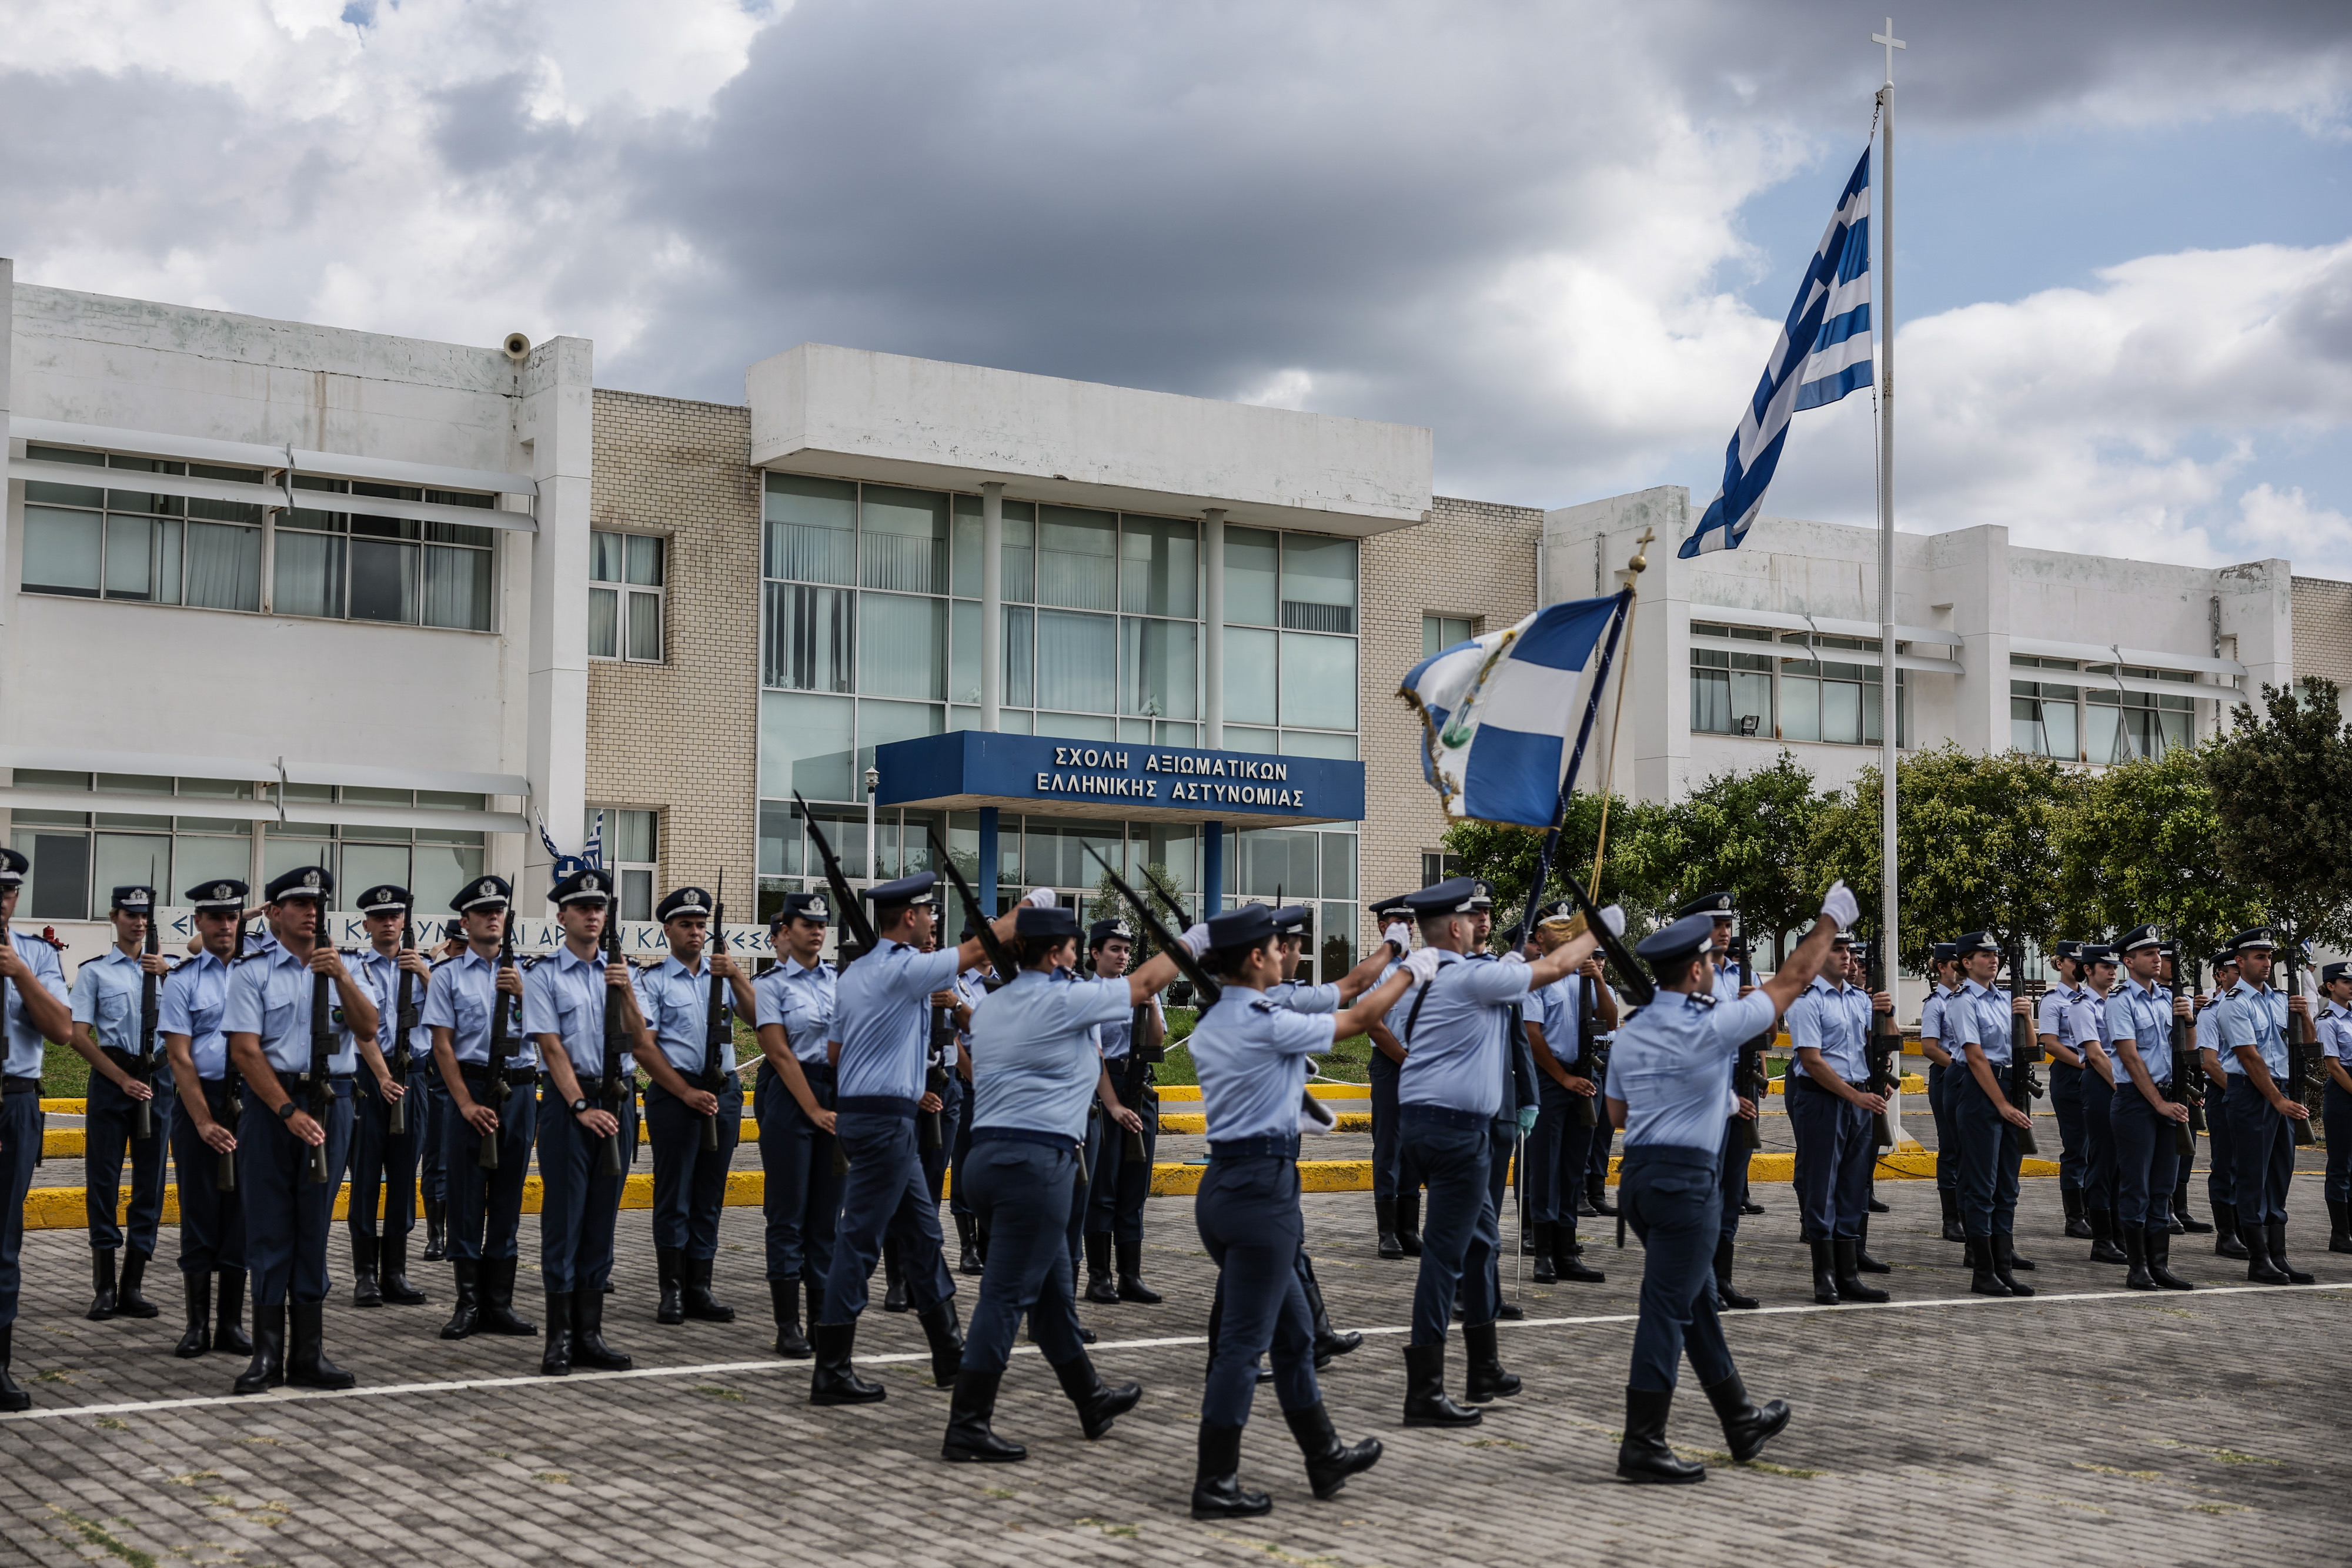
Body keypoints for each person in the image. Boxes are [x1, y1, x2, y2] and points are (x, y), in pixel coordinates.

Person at [1606, 886, 1850, 1483]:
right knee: (1665, 1310)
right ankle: (1642, 1443)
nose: (1716, 969)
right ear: (1694, 970)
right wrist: (1829, 920)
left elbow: (1616, 1115)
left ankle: (1739, 1418)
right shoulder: (1713, 1024)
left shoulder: (1632, 1030)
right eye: (1711, 963)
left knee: (1693, 1305)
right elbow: (1792, 980)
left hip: (1638, 1178)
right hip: (1686, 1184)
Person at [1187, 902, 1412, 1518]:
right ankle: (1214, 1481)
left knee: (1293, 1337)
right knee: (1241, 1347)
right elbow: (1361, 1015)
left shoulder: (1218, 1021)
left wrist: (1389, 956)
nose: (1286, 954)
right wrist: (1417, 970)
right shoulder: (1263, 1020)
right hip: (1264, 1193)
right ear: (1256, 957)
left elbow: (1344, 990)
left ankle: (1323, 1455)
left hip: (1228, 1187)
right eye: (1276, 948)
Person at [941, 903, 1184, 1462]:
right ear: (1055, 953)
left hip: (988, 1159)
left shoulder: (994, 1005)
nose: (1077, 954)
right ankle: (968, 1424)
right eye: (1074, 946)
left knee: (1051, 1294)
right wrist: (1195, 938)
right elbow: (1146, 982)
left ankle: (1089, 1397)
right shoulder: (1064, 996)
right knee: (1004, 1296)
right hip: (1035, 1164)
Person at [1391, 877, 1604, 1426]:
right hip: (1455, 1130)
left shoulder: (1418, 973)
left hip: (1441, 1125)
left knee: (1483, 1241)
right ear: (1457, 927)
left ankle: (1483, 1365)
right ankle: (1425, 1391)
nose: (1480, 923)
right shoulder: (1467, 974)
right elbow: (1554, 969)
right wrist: (1602, 929)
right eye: (1474, 916)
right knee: (1444, 1258)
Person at [810, 873, 1024, 1405]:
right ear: (908, 918)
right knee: (859, 1241)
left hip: (872, 1115)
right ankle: (831, 1368)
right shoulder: (905, 967)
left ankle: (950, 1355)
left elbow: (835, 1053)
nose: (933, 922)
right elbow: (980, 948)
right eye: (929, 913)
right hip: (886, 1121)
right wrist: (1031, 909)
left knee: (924, 1236)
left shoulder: (856, 973)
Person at [222, 865, 383, 1393]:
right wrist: (288, 1110)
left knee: (314, 1226)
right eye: (298, 902)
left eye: (318, 902)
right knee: (270, 1228)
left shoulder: (342, 967)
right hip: (275, 1108)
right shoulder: (253, 970)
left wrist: (340, 976)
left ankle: (308, 1354)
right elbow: (245, 1049)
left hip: (331, 1102)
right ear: (273, 912)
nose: (311, 910)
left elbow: (367, 1028)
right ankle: (267, 1354)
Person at [523, 867, 644, 1375]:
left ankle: (591, 1334)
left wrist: (628, 990)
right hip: (569, 1107)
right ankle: (559, 1338)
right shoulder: (544, 974)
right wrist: (578, 1107)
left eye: (600, 908)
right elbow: (552, 1049)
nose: (594, 914)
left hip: (617, 1102)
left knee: (601, 1223)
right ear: (563, 916)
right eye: (583, 908)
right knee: (565, 1221)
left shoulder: (622, 969)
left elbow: (641, 1039)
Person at [633, 885, 758, 1325]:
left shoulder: (721, 978)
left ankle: (700, 1286)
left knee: (710, 1194)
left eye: (701, 925)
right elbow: (645, 1048)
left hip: (722, 1091)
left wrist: (737, 974)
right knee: (675, 1193)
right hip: (675, 1092)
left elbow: (761, 1020)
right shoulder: (651, 981)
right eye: (686, 924)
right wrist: (684, 1092)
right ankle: (671, 1290)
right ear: (667, 929)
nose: (695, 931)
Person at [424, 875, 539, 1340]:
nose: (495, 916)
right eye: (484, 911)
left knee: (509, 1198)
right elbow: (443, 1047)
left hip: (519, 1092)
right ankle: (468, 1302)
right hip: (470, 1089)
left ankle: (500, 1303)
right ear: (465, 921)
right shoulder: (448, 975)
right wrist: (466, 1103)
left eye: (500, 910)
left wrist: (526, 994)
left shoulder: (532, 973)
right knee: (468, 1198)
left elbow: (555, 1033)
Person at [68, 884, 175, 1322]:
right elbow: (78, 1036)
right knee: (103, 1183)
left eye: (144, 915)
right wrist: (123, 1080)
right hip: (114, 1081)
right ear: (114, 917)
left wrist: (169, 974)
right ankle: (105, 1287)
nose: (138, 921)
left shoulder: (170, 971)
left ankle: (134, 1284)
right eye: (130, 914)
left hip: (159, 1080)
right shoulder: (95, 972)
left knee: (149, 1186)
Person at [159, 878, 256, 1359]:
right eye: (215, 917)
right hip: (201, 1100)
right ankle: (197, 1324)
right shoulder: (183, 979)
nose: (225, 925)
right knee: (200, 1209)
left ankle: (232, 1324)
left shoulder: (258, 972)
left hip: (250, 1102)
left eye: (232, 916)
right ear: (198, 922)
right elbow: (179, 1056)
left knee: (240, 1212)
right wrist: (201, 1120)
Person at [1, 848, 74, 1410]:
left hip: (13, 1102)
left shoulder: (35, 955)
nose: (1, 900)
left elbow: (61, 1031)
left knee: (4, 1240)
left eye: (7, 890)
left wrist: (22, 974)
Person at [753, 891, 841, 1358]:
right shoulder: (771, 984)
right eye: (806, 923)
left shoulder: (838, 981)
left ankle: (822, 1320)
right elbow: (779, 1052)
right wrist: (812, 1108)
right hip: (793, 1099)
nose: (816, 930)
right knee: (787, 1216)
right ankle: (788, 1326)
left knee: (825, 1221)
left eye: (822, 922)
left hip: (834, 1094)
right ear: (786, 931)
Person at [1785, 931, 1895, 1305]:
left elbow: (1884, 1042)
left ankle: (1849, 1275)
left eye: (1848, 950)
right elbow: (1812, 1061)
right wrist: (1856, 1096)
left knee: (1852, 1185)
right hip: (1824, 1101)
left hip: (1858, 1099)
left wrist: (1887, 1013)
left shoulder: (1859, 998)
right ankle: (1825, 1277)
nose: (1847, 957)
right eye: (1837, 950)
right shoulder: (1806, 1000)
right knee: (1822, 1187)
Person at [2211, 928, 2315, 1283]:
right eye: (2259, 956)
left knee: (2279, 1175)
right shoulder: (2234, 1002)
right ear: (2239, 962)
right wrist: (2278, 1100)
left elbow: (2307, 1048)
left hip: (2279, 1092)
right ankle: (2258, 1259)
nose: (2267, 962)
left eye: (2269, 956)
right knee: (2253, 1176)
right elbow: (2249, 1056)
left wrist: (2305, 1016)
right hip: (2252, 1094)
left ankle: (2278, 1255)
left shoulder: (2279, 1000)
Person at [347, 885, 432, 1309]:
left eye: (394, 915)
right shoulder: (358, 968)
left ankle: (395, 1272)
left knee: (403, 1175)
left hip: (413, 1078)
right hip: (370, 1078)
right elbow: (362, 1031)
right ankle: (365, 1275)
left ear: (404, 922)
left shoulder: (424, 966)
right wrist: (381, 1076)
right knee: (365, 1176)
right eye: (379, 916)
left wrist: (425, 975)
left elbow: (448, 1017)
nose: (387, 922)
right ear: (367, 924)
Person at [1521, 902, 1612, 1289]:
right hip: (1549, 1079)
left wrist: (1599, 980)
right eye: (1555, 927)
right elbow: (1533, 1033)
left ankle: (1566, 1250)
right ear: (1540, 937)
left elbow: (1609, 1019)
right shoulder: (1535, 977)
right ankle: (1543, 1255)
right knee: (1546, 1168)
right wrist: (1561, 1077)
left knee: (1573, 1168)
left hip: (1583, 1077)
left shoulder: (1581, 977)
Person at [2100, 925, 2195, 1290]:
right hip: (2137, 1102)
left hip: (2170, 1097)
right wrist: (2158, 1103)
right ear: (2128, 961)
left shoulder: (2169, 998)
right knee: (2136, 1186)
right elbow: (2129, 1056)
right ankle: (2137, 1267)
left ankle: (2161, 1266)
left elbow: (2189, 1051)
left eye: (2160, 953)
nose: (2158, 959)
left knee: (2163, 1187)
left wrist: (2188, 1020)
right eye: (2148, 954)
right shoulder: (2120, 1000)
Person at [1081, 917, 1168, 1306]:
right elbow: (1092, 1053)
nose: (1123, 955)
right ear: (1095, 952)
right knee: (1103, 1187)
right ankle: (1098, 1277)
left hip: (1140, 1085)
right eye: (1115, 948)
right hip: (1104, 1088)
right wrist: (1111, 1104)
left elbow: (1157, 1042)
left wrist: (1148, 1006)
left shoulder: (1140, 988)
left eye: (1127, 950)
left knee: (1135, 1184)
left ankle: (1130, 1275)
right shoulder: (1087, 993)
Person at [1951, 931, 2040, 1297]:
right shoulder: (1963, 1001)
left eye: (1995, 954)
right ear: (1966, 962)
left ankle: (2004, 1268)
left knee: (2008, 1185)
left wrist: (2028, 1018)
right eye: (1984, 955)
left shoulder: (2007, 999)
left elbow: (2032, 1050)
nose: (1993, 959)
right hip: (1981, 1092)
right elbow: (1974, 1056)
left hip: (2012, 1086)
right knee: (1982, 1186)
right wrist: (2001, 1105)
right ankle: (1983, 1271)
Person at [1364, 894, 1419, 1259]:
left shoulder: (1424, 967)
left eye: (1411, 923)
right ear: (1383, 926)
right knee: (1388, 1147)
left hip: (1421, 1065)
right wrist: (1405, 1059)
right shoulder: (1373, 970)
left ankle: (1409, 1228)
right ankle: (1387, 1233)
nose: (1408, 928)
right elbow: (1374, 1024)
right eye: (1400, 922)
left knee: (1415, 1146)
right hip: (1390, 1064)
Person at [2068, 946, 2127, 1264]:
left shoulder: (2118, 1002)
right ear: (2088, 970)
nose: (2112, 971)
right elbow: (2095, 1053)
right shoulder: (2081, 1006)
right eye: (2105, 966)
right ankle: (2102, 1240)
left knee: (2121, 1163)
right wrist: (2123, 1088)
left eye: (2114, 966)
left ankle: (2119, 1235)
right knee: (2103, 1161)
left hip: (2122, 1083)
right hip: (2102, 1083)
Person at [2039, 941, 2093, 1240]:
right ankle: (2075, 1218)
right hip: (2071, 1074)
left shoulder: (2092, 998)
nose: (2080, 967)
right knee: (2076, 1147)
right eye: (2074, 961)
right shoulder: (2053, 1001)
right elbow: (2051, 1043)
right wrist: (2086, 1064)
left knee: (2097, 1147)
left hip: (2094, 1073)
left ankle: (2094, 1210)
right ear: (2060, 964)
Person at [2196, 951, 2248, 1259]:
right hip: (2226, 1094)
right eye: (2234, 970)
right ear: (2220, 975)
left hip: (2254, 1095)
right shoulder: (2211, 1012)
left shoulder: (2253, 1006)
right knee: (2226, 1166)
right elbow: (2210, 1063)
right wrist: (2242, 1092)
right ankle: (2227, 1235)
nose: (2240, 976)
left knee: (2251, 1167)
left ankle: (2248, 1228)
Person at [1916, 942, 1965, 1243]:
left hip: (1971, 1077)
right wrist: (1962, 1067)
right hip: (1948, 1076)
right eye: (1954, 964)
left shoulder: (1969, 999)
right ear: (1941, 967)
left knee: (1969, 1149)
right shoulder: (1936, 1003)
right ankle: (1951, 1219)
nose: (1960, 970)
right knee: (1950, 1147)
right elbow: (1929, 1048)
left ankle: (1967, 1212)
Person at [2314, 960, 2352, 1255]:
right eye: (2346, 982)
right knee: (2340, 1166)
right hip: (2343, 1094)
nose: (2351, 986)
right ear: (2331, 986)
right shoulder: (2329, 1020)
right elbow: (2333, 1067)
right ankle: (2340, 1234)